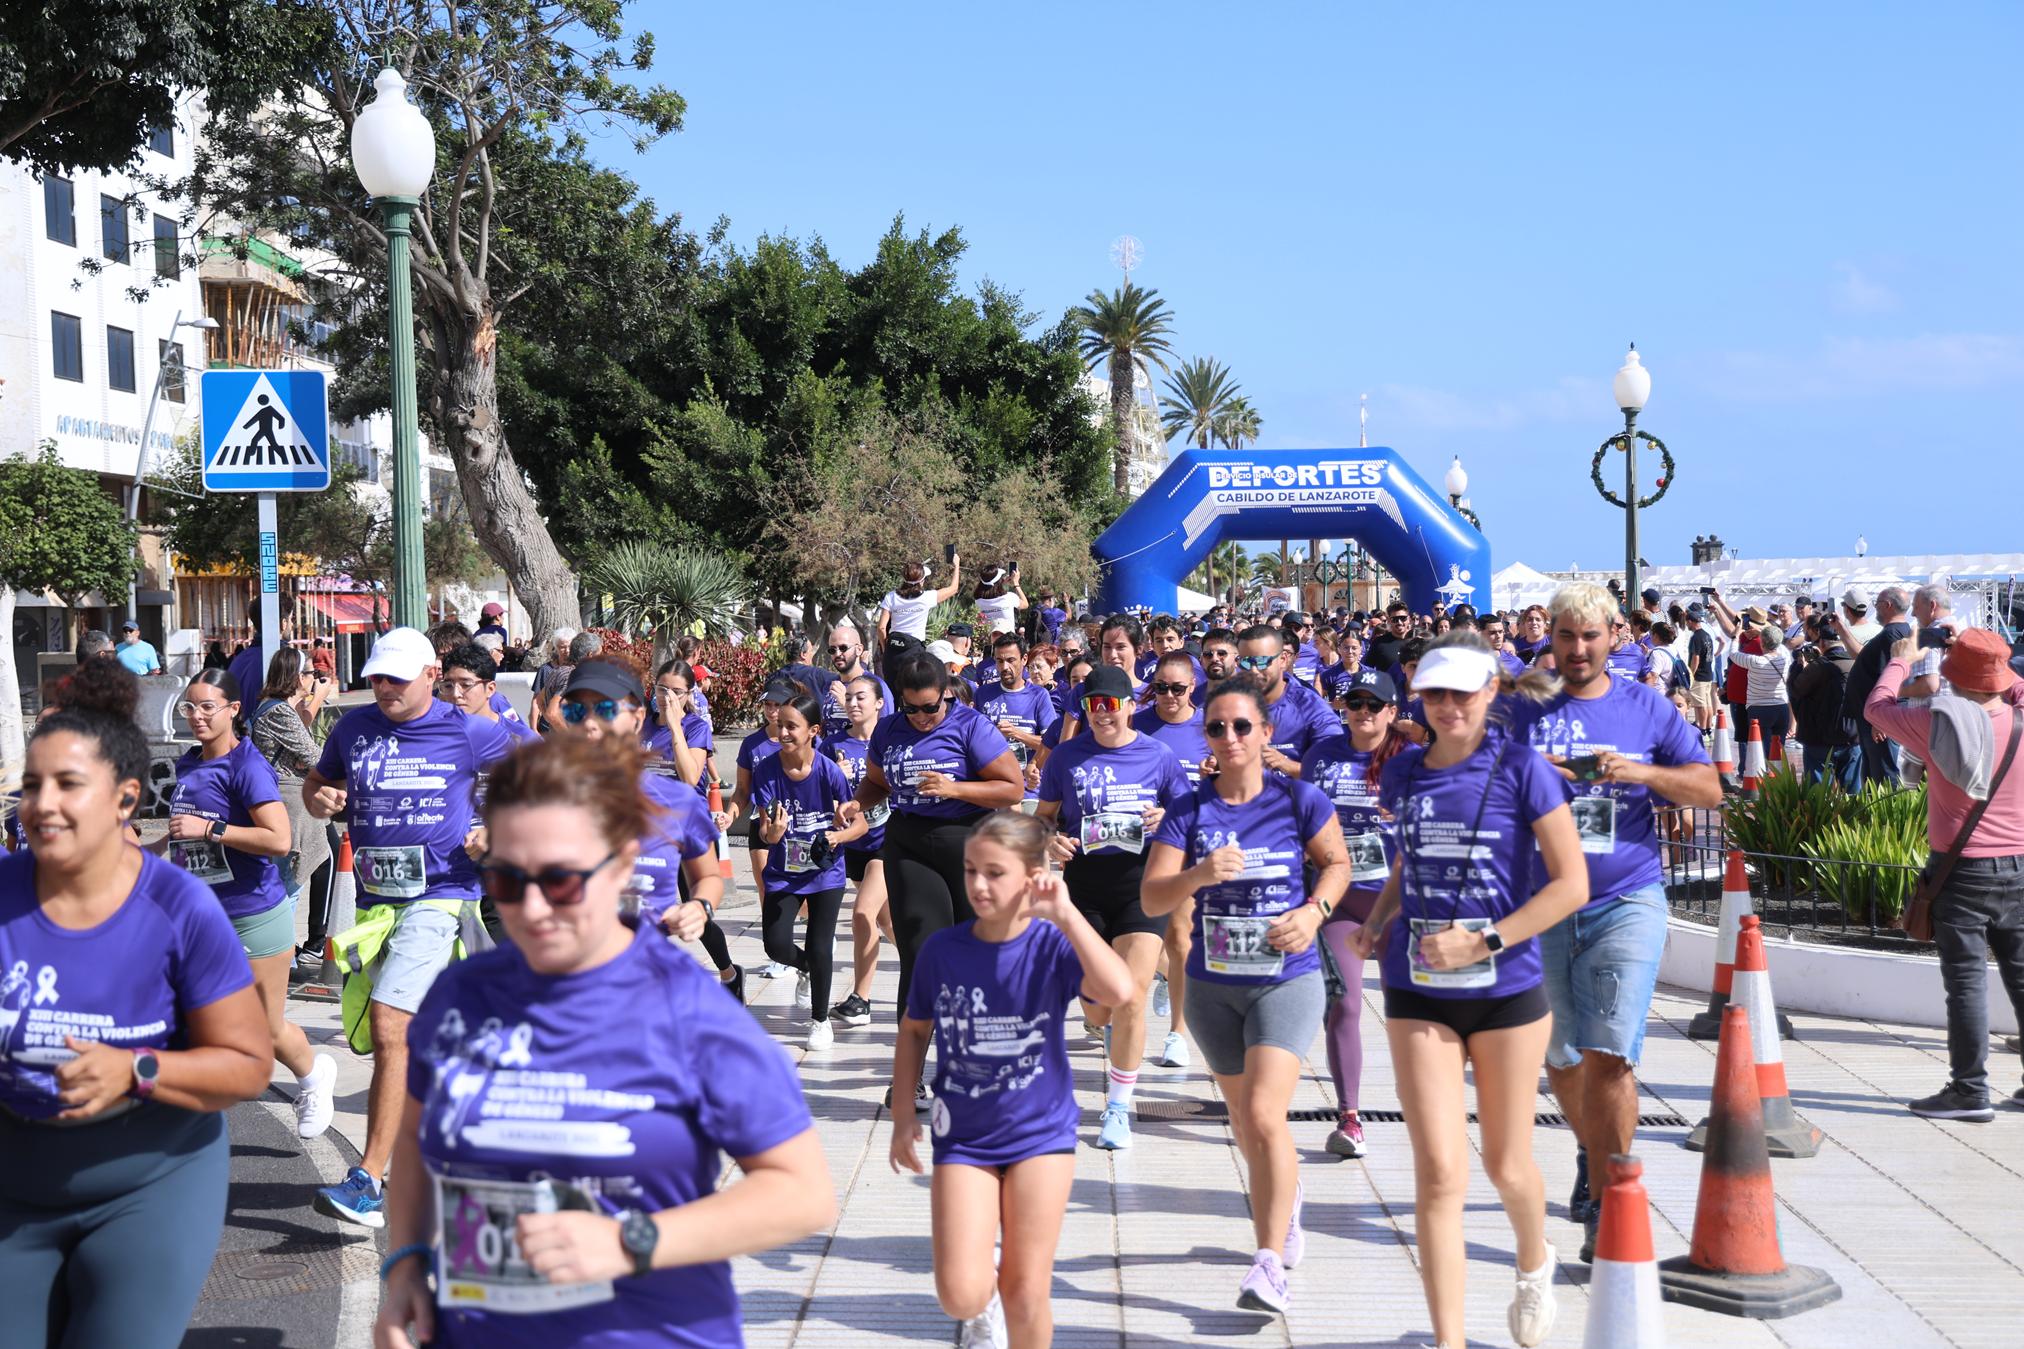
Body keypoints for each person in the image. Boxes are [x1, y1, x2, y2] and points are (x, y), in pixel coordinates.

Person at [371, 734, 834, 1349]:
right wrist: (406, 1262)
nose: (533, 908)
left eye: (560, 880)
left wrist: (629, 1242)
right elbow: (414, 1140)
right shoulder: (461, 996)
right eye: (507, 879)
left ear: (620, 864)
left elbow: (803, 1193)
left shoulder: (688, 1012)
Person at [0, 660, 271, 1349]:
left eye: (68, 784)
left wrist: (135, 1069)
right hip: (15, 1176)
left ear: (125, 799)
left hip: (151, 1178)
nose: (42, 804)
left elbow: (248, 1064)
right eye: (31, 785)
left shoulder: (179, 907)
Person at [1345, 633, 1586, 1348]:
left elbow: (1571, 884)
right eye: (1434, 693)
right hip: (1417, 983)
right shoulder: (1403, 771)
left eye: (1461, 692)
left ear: (1490, 693)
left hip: (1505, 988)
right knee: (1440, 1173)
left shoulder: (1525, 770)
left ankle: (1534, 1260)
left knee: (1506, 1165)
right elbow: (1408, 860)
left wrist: (1485, 942)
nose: (1448, 705)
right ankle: (1448, 1339)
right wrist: (1378, 921)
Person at [1506, 585, 1720, 1264]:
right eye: (1566, 636)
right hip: (1542, 904)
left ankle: (1610, 1203)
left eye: (1590, 636)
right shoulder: (1521, 708)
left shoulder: (1645, 705)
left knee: (1609, 1054)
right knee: (1563, 1059)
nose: (1577, 648)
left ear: (1613, 636)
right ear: (1550, 637)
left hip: (1626, 897)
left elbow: (1710, 787)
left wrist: (1643, 773)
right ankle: (1590, 1149)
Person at [1140, 679, 1349, 1314]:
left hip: (1287, 977)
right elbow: (1152, 897)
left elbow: (1336, 864)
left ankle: (1267, 1264)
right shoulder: (1189, 810)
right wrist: (1200, 874)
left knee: (1262, 1114)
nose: (1229, 737)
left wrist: (1314, 912)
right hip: (1213, 987)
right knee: (1245, 1121)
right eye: (1216, 727)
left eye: (1241, 726)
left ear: (1265, 734)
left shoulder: (1300, 799)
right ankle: (1288, 1198)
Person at [889, 812, 1133, 1349]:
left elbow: (1117, 992)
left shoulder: (1052, 944)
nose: (977, 884)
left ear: (1032, 876)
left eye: (994, 873)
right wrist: (903, 1114)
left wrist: (1066, 913)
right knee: (960, 1295)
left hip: (1040, 1135)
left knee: (1026, 1293)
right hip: (964, 1138)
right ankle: (985, 1296)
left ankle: (1009, 1295)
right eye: (971, 870)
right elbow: (914, 1030)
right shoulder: (943, 950)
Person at [303, 627, 514, 1227]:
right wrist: (321, 799)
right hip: (376, 906)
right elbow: (320, 783)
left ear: (430, 677)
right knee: (410, 1038)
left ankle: (368, 1179)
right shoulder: (353, 728)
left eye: (397, 677)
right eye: (377, 676)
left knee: (390, 1023)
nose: (384, 687)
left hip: (441, 896)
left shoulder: (469, 729)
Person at [837, 650, 1024, 1103]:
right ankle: (909, 1077)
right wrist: (858, 802)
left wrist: (955, 787)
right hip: (910, 845)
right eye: (912, 708)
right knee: (921, 957)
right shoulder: (889, 729)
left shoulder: (971, 726)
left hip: (968, 845)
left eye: (931, 707)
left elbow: (1012, 787)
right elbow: (877, 782)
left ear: (946, 696)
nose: (921, 717)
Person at [169, 667, 337, 1139]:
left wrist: (212, 829)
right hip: (201, 918)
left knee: (266, 1027)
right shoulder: (188, 764)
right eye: (190, 707)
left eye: (208, 707)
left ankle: (313, 1076)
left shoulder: (247, 766)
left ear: (233, 710)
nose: (197, 716)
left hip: (253, 915)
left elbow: (278, 839)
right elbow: (183, 837)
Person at [1864, 629, 2024, 1122]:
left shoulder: (1936, 723)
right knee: (2022, 976)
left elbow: (1876, 708)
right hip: (2019, 866)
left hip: (1961, 871)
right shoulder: (2019, 717)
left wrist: (1900, 659)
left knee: (1967, 982)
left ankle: (1970, 1092)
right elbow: (2014, 687)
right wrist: (1989, 660)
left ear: (1955, 676)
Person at [1035, 665, 1188, 1151]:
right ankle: (1113, 1023)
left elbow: (1189, 814)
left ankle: (1118, 1108)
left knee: (1130, 997)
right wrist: (1050, 841)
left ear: (1130, 706)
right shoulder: (1066, 756)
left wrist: (1168, 815)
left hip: (1142, 886)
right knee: (1099, 1009)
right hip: (1086, 889)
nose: (1101, 713)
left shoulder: (1158, 756)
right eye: (1091, 705)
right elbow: (1042, 819)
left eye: (1109, 704)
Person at [557, 660, 736, 998]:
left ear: (636, 719)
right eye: (577, 710)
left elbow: (710, 878)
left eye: (606, 709)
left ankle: (728, 972)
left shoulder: (679, 801)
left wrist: (699, 908)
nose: (590, 723)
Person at [1301, 669, 1409, 1159]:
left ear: (1392, 712)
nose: (1362, 712)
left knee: (1409, 1014)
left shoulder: (1411, 759)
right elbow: (1303, 817)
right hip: (1343, 901)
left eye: (1373, 705)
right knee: (1342, 1004)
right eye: (1354, 703)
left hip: (1400, 903)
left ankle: (1429, 1108)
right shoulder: (1322, 755)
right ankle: (1349, 1117)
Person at [752, 690, 866, 1049]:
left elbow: (859, 822)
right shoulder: (767, 770)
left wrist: (838, 835)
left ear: (813, 730)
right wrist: (773, 833)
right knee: (775, 945)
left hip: (825, 872)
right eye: (780, 725)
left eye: (792, 726)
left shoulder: (829, 771)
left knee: (820, 946)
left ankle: (819, 1020)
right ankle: (804, 967)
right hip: (783, 872)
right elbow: (765, 830)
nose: (783, 732)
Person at [1132, 649, 1213, 1067]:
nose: (1168, 696)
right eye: (1160, 687)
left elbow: (1228, 790)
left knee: (1181, 937)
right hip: (1136, 847)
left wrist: (1176, 813)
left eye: (1177, 689)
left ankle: (1178, 1034)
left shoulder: (1210, 727)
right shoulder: (1137, 724)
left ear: (1193, 687)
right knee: (1139, 939)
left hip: (1185, 847)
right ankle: (1160, 975)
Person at [250, 646, 338, 961]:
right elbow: (313, 756)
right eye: (311, 673)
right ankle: (281, 955)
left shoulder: (276, 708)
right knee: (288, 884)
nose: (315, 679)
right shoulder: (278, 712)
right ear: (298, 677)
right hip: (289, 802)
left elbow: (302, 751)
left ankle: (291, 949)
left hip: (284, 798)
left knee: (293, 876)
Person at [824, 676, 891, 1028]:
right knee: (889, 923)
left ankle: (860, 1000)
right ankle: (941, 974)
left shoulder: (893, 739)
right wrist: (834, 777)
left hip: (888, 841)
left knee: (863, 913)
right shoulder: (833, 745)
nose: (852, 703)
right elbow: (817, 793)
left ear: (879, 702)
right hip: (852, 845)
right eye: (848, 698)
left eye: (860, 697)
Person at [1234, 623, 1334, 777]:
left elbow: (1334, 770)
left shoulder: (1310, 706)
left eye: (1262, 661)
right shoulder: (1229, 704)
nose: (1253, 670)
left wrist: (1285, 764)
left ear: (1282, 659)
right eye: (1246, 662)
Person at [977, 632, 1058, 808]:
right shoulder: (983, 694)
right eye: (999, 661)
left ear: (1024, 659)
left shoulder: (1039, 695)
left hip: (1029, 788)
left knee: (1024, 822)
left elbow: (1051, 744)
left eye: (1010, 660)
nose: (1004, 667)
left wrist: (1016, 733)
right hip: (993, 786)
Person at [1844, 586, 1914, 787]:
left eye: (1877, 604)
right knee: (1874, 775)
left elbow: (1894, 679)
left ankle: (1889, 807)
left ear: (1888, 605)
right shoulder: (1895, 633)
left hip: (1881, 721)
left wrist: (1881, 719)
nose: (1875, 608)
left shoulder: (1892, 634)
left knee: (1884, 776)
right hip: (1874, 719)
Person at [439, 643, 540, 743]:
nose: (455, 694)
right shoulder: (435, 735)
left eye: (466, 685)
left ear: (490, 689)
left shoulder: (523, 741)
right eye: (448, 686)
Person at [645, 659, 715, 789]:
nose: (668, 697)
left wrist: (675, 726)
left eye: (676, 692)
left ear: (688, 694)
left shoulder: (697, 728)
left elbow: (689, 779)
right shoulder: (643, 726)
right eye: (662, 689)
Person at [820, 622, 890, 736]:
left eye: (843, 648)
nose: (837, 654)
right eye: (832, 650)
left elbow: (885, 730)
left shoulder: (876, 685)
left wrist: (846, 703)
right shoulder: (830, 685)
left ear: (859, 649)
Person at [878, 555, 963, 649]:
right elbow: (954, 588)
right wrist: (957, 565)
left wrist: (885, 649)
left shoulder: (891, 596)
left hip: (893, 647)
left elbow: (881, 628)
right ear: (921, 581)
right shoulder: (927, 597)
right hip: (914, 647)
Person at [529, 626, 580, 734]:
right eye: (562, 647)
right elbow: (536, 700)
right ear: (556, 648)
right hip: (548, 729)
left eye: (569, 647)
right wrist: (534, 729)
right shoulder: (546, 670)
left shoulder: (577, 669)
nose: (567, 651)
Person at [1682, 604, 1719, 732]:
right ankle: (1708, 728)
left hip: (1699, 675)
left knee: (1699, 704)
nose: (1687, 625)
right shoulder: (1706, 635)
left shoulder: (1696, 637)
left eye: (1687, 622)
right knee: (1707, 703)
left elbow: (1695, 657)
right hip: (1708, 673)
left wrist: (1691, 674)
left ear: (1690, 622)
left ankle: (1702, 729)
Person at [973, 565, 1028, 641]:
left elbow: (991, 588)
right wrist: (1016, 583)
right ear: (999, 582)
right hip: (1008, 642)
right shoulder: (1009, 598)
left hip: (988, 642)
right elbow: (1025, 604)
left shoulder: (978, 602)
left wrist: (1001, 583)